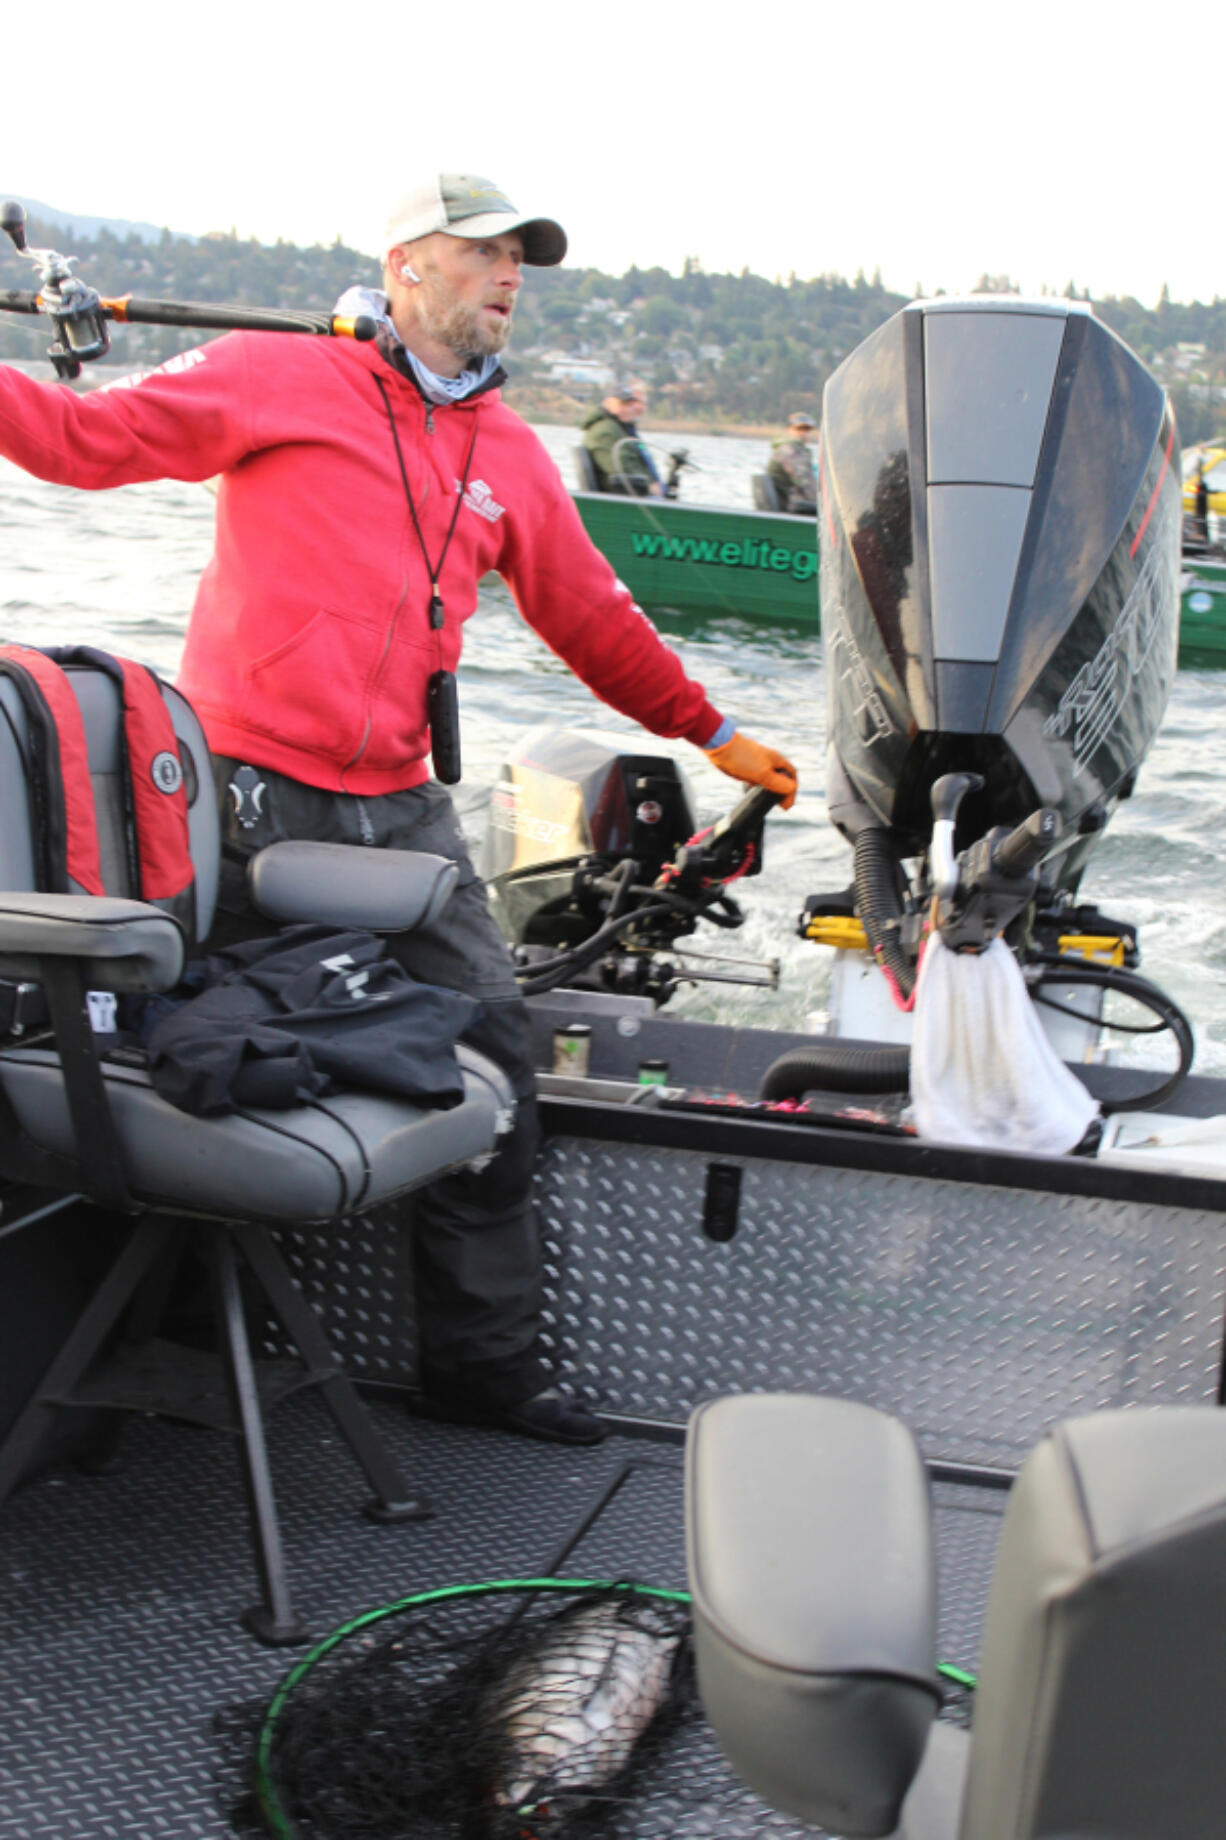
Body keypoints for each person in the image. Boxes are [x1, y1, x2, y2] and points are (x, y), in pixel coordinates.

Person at [0, 172, 798, 1447]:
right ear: (405, 263)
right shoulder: (282, 375)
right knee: (221, 1055)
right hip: (253, 796)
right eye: (483, 253)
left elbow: (589, 618)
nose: (507, 277)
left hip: (404, 806)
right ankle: (186, 1345)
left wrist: (712, 731)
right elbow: (83, 442)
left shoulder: (512, 454)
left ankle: (479, 1368)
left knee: (492, 1048)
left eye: (520, 260)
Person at [580, 384, 664, 496]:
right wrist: (650, 486)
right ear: (610, 404)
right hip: (623, 499)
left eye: (631, 405)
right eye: (625, 405)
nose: (631, 409)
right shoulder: (605, 431)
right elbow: (620, 470)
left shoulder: (621, 429)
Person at [767, 411, 818, 516]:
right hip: (791, 508)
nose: (803, 433)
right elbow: (806, 484)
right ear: (788, 429)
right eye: (798, 429)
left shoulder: (785, 448)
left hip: (789, 506)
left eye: (807, 429)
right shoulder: (791, 451)